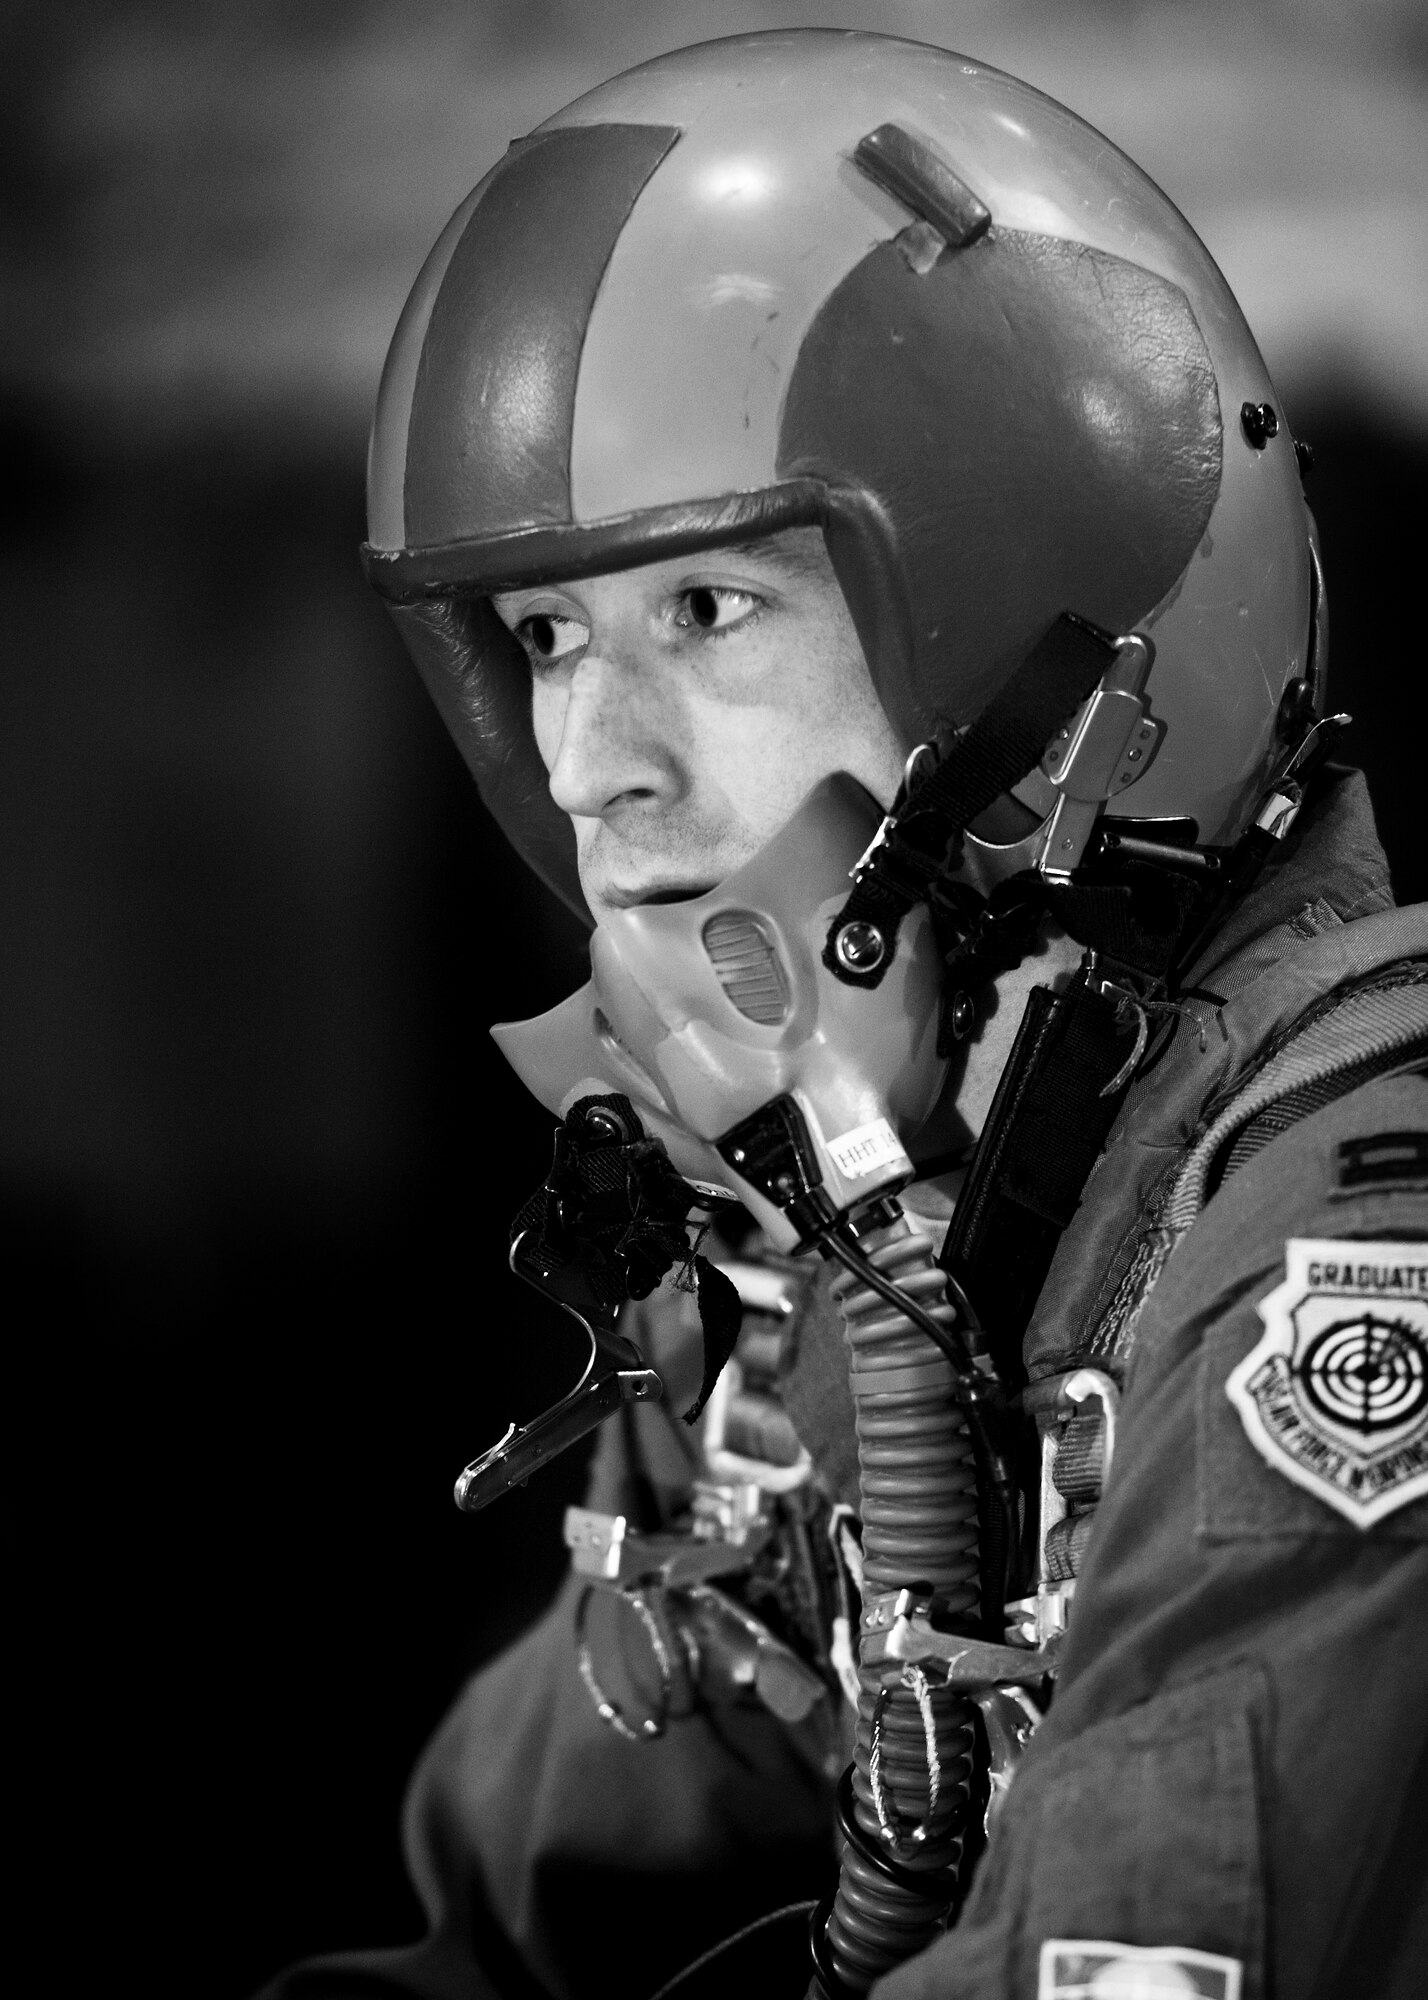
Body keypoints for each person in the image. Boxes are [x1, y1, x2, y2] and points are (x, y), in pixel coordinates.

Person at [263, 30, 1428, 2000]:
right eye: (546, 638)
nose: (588, 762)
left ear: (1056, 638)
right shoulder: (858, 1209)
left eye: (705, 612)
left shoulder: (1357, 1208)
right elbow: (505, 1907)